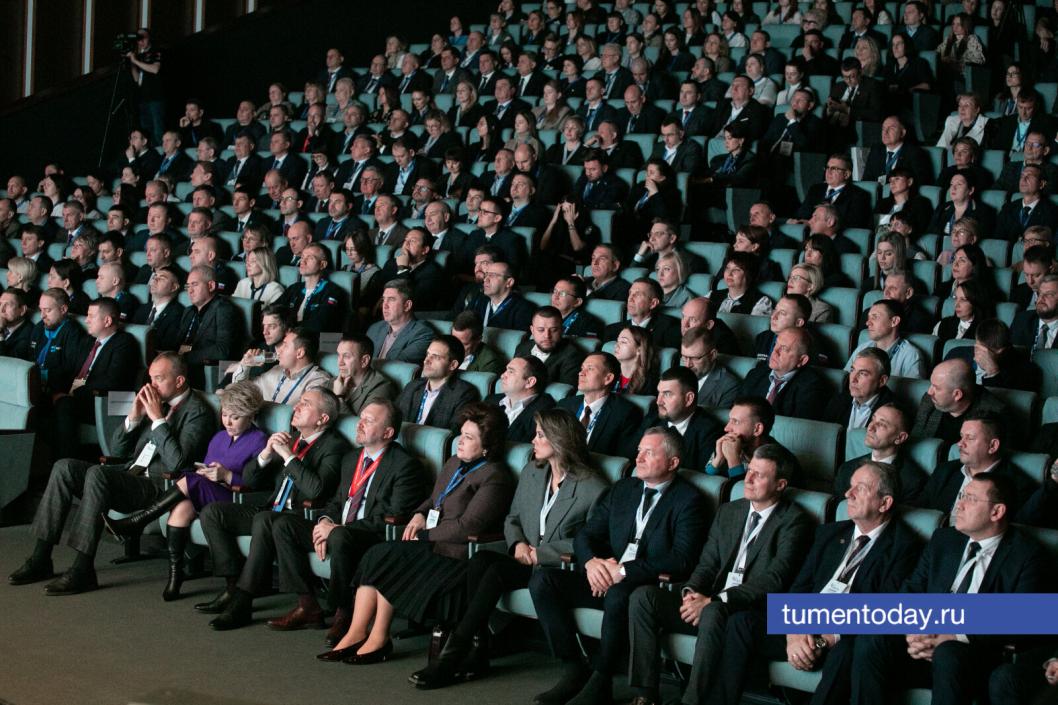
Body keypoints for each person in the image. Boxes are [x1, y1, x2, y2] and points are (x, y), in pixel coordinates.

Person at [411, 407, 608, 689]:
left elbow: (591, 539)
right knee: (481, 561)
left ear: (559, 441)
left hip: (559, 569)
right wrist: (517, 543)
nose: (533, 440)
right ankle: (476, 649)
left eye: (540, 435)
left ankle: (452, 656)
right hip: (524, 559)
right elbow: (512, 518)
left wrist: (541, 553)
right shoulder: (533, 472)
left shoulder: (593, 487)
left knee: (493, 572)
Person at [322, 403, 516, 663]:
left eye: (469, 437)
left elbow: (467, 526)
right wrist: (419, 514)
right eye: (461, 434)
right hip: (432, 544)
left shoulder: (495, 476)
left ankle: (379, 638)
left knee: (390, 559)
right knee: (377, 554)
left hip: (456, 554)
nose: (459, 441)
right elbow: (433, 500)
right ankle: (356, 633)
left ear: (487, 447)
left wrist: (425, 535)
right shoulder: (454, 462)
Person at [8, 353, 215, 595]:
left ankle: (82, 569)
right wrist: (134, 417)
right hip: (130, 475)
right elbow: (117, 451)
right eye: (150, 379)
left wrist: (158, 419)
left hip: (160, 487)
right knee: (64, 467)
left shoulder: (197, 411)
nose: (152, 386)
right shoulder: (156, 402)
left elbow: (178, 464)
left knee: (99, 474)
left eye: (159, 379)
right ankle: (41, 558)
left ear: (179, 381)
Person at [530, 426, 708, 705]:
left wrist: (623, 571)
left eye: (649, 452)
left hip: (642, 586)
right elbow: (586, 535)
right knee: (543, 581)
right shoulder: (623, 489)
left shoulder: (688, 499)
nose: (639, 458)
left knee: (619, 593)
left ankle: (602, 680)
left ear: (673, 462)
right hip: (604, 576)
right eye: (639, 450)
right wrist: (592, 564)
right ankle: (573, 667)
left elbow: (681, 557)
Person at [628, 443, 814, 705]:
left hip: (746, 611)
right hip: (710, 601)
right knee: (644, 597)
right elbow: (708, 564)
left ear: (780, 485)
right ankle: (645, 696)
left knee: (714, 611)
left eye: (759, 475)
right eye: (749, 470)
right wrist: (691, 593)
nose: (748, 479)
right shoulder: (729, 511)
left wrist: (715, 600)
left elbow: (774, 579)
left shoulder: (794, 521)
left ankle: (692, 701)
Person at [851, 472, 1050, 705]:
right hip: (924, 647)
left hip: (974, 658)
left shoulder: (1027, 554)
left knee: (948, 653)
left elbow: (1020, 618)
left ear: (997, 511)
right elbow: (911, 591)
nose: (959, 505)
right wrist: (915, 633)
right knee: (872, 638)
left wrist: (952, 636)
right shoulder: (944, 540)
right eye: (962, 496)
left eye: (971, 499)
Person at [194, 388, 351, 626]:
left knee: (264, 520)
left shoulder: (334, 446)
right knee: (213, 513)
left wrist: (288, 456)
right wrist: (266, 454)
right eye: (298, 402)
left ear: (323, 419)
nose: (296, 407)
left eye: (305, 404)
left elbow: (316, 490)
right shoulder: (292, 438)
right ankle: (232, 586)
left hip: (299, 517)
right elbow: (250, 480)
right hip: (271, 509)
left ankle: (242, 601)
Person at [102, 381, 267, 601]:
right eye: (225, 415)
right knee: (181, 506)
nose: (227, 422)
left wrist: (227, 476)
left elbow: (256, 483)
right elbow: (205, 467)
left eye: (235, 417)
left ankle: (139, 521)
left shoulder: (259, 440)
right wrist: (206, 472)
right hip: (208, 492)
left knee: (191, 480)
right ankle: (175, 576)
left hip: (234, 498)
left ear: (251, 415)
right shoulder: (219, 437)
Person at [915, 413, 1037, 521]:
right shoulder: (944, 471)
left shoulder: (1018, 487)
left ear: (993, 446)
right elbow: (919, 511)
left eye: (970, 438)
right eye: (961, 436)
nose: (960, 443)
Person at [557, 352, 643, 456]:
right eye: (582, 368)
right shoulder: (564, 405)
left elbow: (621, 459)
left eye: (590, 369)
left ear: (608, 378)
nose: (581, 373)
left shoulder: (625, 413)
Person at [176, 266, 246, 388]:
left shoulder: (224, 309)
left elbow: (222, 350)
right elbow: (180, 343)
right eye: (188, 286)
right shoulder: (188, 311)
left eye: (195, 284)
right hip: (184, 366)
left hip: (206, 369)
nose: (190, 291)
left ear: (211, 286)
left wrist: (185, 357)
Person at [911, 359, 1007, 445]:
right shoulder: (929, 400)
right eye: (931, 384)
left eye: (937, 388)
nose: (929, 392)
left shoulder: (995, 413)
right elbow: (917, 439)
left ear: (957, 394)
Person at [396, 335, 480, 430]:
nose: (426, 361)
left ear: (452, 365)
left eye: (435, 357)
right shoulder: (413, 386)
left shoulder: (464, 394)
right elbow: (394, 418)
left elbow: (454, 432)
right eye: (427, 354)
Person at [742, 327, 827, 420]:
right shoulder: (755, 374)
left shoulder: (812, 387)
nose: (774, 352)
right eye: (775, 344)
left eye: (784, 348)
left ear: (802, 360)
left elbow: (793, 426)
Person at [274, 243, 347, 334]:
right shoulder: (294, 288)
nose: (303, 261)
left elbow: (321, 325)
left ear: (322, 264)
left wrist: (289, 332)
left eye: (310, 258)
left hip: (320, 340)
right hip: (289, 336)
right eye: (302, 257)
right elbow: (273, 310)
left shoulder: (332, 291)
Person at [28, 289, 87, 397]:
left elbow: (69, 371)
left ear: (63, 309)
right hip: (31, 383)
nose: (42, 316)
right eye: (41, 310)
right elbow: (29, 356)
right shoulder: (39, 327)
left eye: (47, 310)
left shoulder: (73, 333)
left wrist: (37, 376)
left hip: (54, 391)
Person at [847, 299, 927, 379]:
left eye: (875, 317)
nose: (867, 323)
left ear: (894, 321)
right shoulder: (862, 348)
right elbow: (846, 379)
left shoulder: (911, 355)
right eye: (868, 318)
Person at [365, 279, 436, 364]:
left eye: (391, 299)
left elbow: (396, 365)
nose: (384, 305)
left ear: (407, 306)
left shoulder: (423, 334)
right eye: (383, 300)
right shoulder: (375, 328)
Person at [824, 347, 895, 430]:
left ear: (882, 381)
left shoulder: (893, 413)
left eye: (863, 373)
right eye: (852, 370)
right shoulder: (839, 400)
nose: (853, 379)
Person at [514, 306, 585, 387]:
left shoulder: (573, 356)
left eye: (554, 330)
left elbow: (564, 391)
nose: (547, 336)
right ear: (532, 330)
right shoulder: (522, 347)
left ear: (562, 330)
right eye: (541, 330)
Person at [604, 278, 682, 349]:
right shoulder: (611, 331)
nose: (630, 299)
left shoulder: (670, 329)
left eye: (637, 295)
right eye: (630, 293)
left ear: (653, 303)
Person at [332, 335, 398, 415]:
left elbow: (362, 423)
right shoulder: (337, 380)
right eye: (338, 355)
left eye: (346, 356)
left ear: (364, 361)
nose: (340, 363)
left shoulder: (382, 387)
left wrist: (338, 397)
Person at [466, 259, 536, 331]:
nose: (485, 280)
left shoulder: (525, 309)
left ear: (509, 282)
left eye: (492, 275)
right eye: (486, 275)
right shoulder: (478, 301)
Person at [681, 326, 740, 410]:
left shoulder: (729, 386)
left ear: (712, 355)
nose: (687, 365)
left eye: (695, 358)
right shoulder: (677, 374)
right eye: (684, 357)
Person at [450, 311, 505, 375]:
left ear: (478, 339)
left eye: (463, 344)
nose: (456, 347)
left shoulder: (489, 363)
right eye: (454, 341)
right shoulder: (445, 349)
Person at [613, 326, 659, 396]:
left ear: (639, 350)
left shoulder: (650, 384)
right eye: (617, 341)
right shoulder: (609, 373)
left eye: (623, 342)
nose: (616, 345)